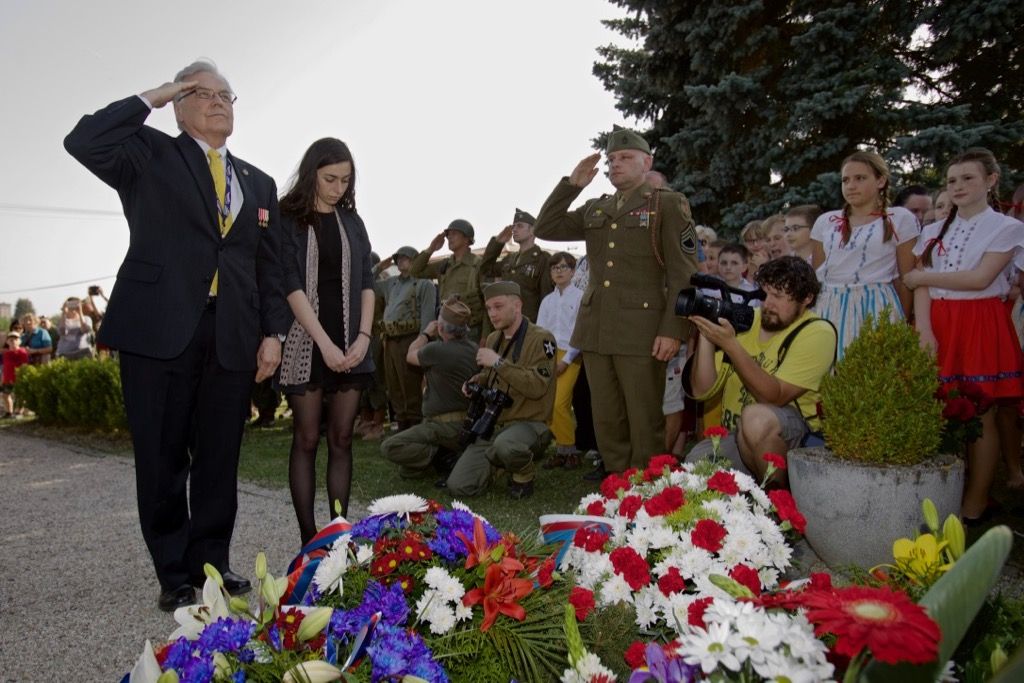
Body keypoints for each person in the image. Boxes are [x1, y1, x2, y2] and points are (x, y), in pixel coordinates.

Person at [64, 61, 289, 610]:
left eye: (226, 95)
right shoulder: (148, 154)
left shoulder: (258, 183)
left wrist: (274, 334)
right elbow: (83, 139)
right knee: (162, 458)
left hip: (233, 333)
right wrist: (154, 96)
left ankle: (212, 563)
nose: (218, 103)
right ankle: (173, 574)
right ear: (180, 103)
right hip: (158, 328)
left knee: (219, 457)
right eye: (202, 93)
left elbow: (271, 269)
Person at [533, 128, 698, 476]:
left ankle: (647, 490)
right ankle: (617, 485)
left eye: (624, 158)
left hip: (642, 331)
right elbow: (546, 227)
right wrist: (572, 185)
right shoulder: (597, 208)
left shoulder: (666, 204)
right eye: (610, 160)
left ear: (646, 162)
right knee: (606, 418)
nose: (614, 165)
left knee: (643, 418)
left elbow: (685, 275)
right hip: (595, 328)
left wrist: (673, 330)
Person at [905, 148, 1024, 523]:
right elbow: (920, 287)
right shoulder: (932, 229)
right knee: (937, 408)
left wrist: (924, 276)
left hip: (979, 320)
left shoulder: (1007, 228)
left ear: (991, 180)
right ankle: (937, 494)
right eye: (952, 180)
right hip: (938, 318)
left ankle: (975, 502)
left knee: (981, 411)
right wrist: (924, 329)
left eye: (968, 178)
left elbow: (980, 278)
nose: (958, 186)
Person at [276, 137, 375, 545]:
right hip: (308, 340)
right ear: (311, 173)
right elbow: (290, 283)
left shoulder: (352, 220)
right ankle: (308, 539)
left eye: (345, 181)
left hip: (352, 340)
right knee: (306, 437)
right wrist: (325, 346)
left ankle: (337, 536)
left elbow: (368, 282)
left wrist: (365, 336)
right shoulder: (288, 216)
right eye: (330, 179)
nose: (338, 188)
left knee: (342, 439)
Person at [684, 257, 837, 484]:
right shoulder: (748, 319)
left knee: (755, 418)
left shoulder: (817, 332)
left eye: (779, 296)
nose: (768, 304)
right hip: (738, 434)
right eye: (765, 294)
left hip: (794, 431)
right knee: (695, 464)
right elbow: (701, 390)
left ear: (806, 299)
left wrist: (731, 345)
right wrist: (707, 335)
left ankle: (776, 500)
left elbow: (775, 396)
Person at [446, 282, 556, 498]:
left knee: (506, 446)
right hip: (494, 423)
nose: (492, 314)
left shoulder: (542, 339)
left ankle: (523, 472)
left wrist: (498, 362)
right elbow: (492, 376)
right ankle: (499, 464)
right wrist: (476, 381)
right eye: (488, 308)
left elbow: (537, 387)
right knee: (459, 486)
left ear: (517, 305)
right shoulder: (495, 338)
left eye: (498, 306)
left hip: (529, 423)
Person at [810, 150, 919, 358]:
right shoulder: (826, 222)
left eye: (860, 178)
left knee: (872, 372)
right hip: (829, 305)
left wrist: (901, 322)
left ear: (881, 180)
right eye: (845, 180)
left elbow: (906, 280)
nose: (850, 186)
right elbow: (817, 276)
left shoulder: (899, 219)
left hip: (876, 306)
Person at [380, 298, 479, 479]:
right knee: (407, 470)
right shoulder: (474, 349)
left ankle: (440, 457)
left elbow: (410, 355)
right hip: (465, 424)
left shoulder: (436, 350)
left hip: (442, 426)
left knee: (390, 447)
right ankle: (442, 456)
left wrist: (425, 334)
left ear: (441, 328)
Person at [376, 246, 436, 431]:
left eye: (406, 257)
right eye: (398, 258)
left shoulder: (424, 284)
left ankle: (414, 426)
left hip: (410, 339)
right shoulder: (392, 283)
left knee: (410, 386)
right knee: (394, 386)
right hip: (391, 339)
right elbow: (366, 283)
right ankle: (402, 423)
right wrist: (379, 267)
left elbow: (427, 315)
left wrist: (422, 341)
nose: (401, 261)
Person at [536, 252, 584, 468]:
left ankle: (570, 449)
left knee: (559, 403)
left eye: (564, 267)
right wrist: (545, 359)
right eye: (555, 268)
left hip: (571, 355)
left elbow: (580, 331)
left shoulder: (580, 297)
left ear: (573, 272)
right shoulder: (547, 300)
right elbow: (541, 331)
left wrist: (567, 360)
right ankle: (562, 451)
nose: (559, 271)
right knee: (548, 404)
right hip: (550, 354)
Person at [409, 220, 485, 341]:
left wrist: (485, 337)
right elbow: (414, 271)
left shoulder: (478, 265)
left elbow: (486, 302)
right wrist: (432, 248)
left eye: (454, 233)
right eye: (448, 234)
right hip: (445, 329)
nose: (449, 237)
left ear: (467, 239)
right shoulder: (445, 265)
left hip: (469, 330)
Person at [480, 208, 552, 323]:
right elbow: (485, 269)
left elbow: (547, 297)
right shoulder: (509, 259)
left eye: (519, 226)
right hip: (507, 322)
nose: (514, 230)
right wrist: (497, 243)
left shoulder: (542, 259)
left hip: (530, 324)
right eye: (513, 226)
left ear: (532, 230)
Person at [2, 332, 29, 418]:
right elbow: (5, 367)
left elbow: (24, 366)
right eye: (11, 339)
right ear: (7, 342)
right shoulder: (6, 353)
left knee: (20, 395)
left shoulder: (22, 352)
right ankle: (8, 412)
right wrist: (2, 378)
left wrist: (22, 376)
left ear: (19, 341)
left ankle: (19, 412)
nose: (13, 341)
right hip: (7, 378)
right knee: (5, 395)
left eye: (16, 339)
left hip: (17, 378)